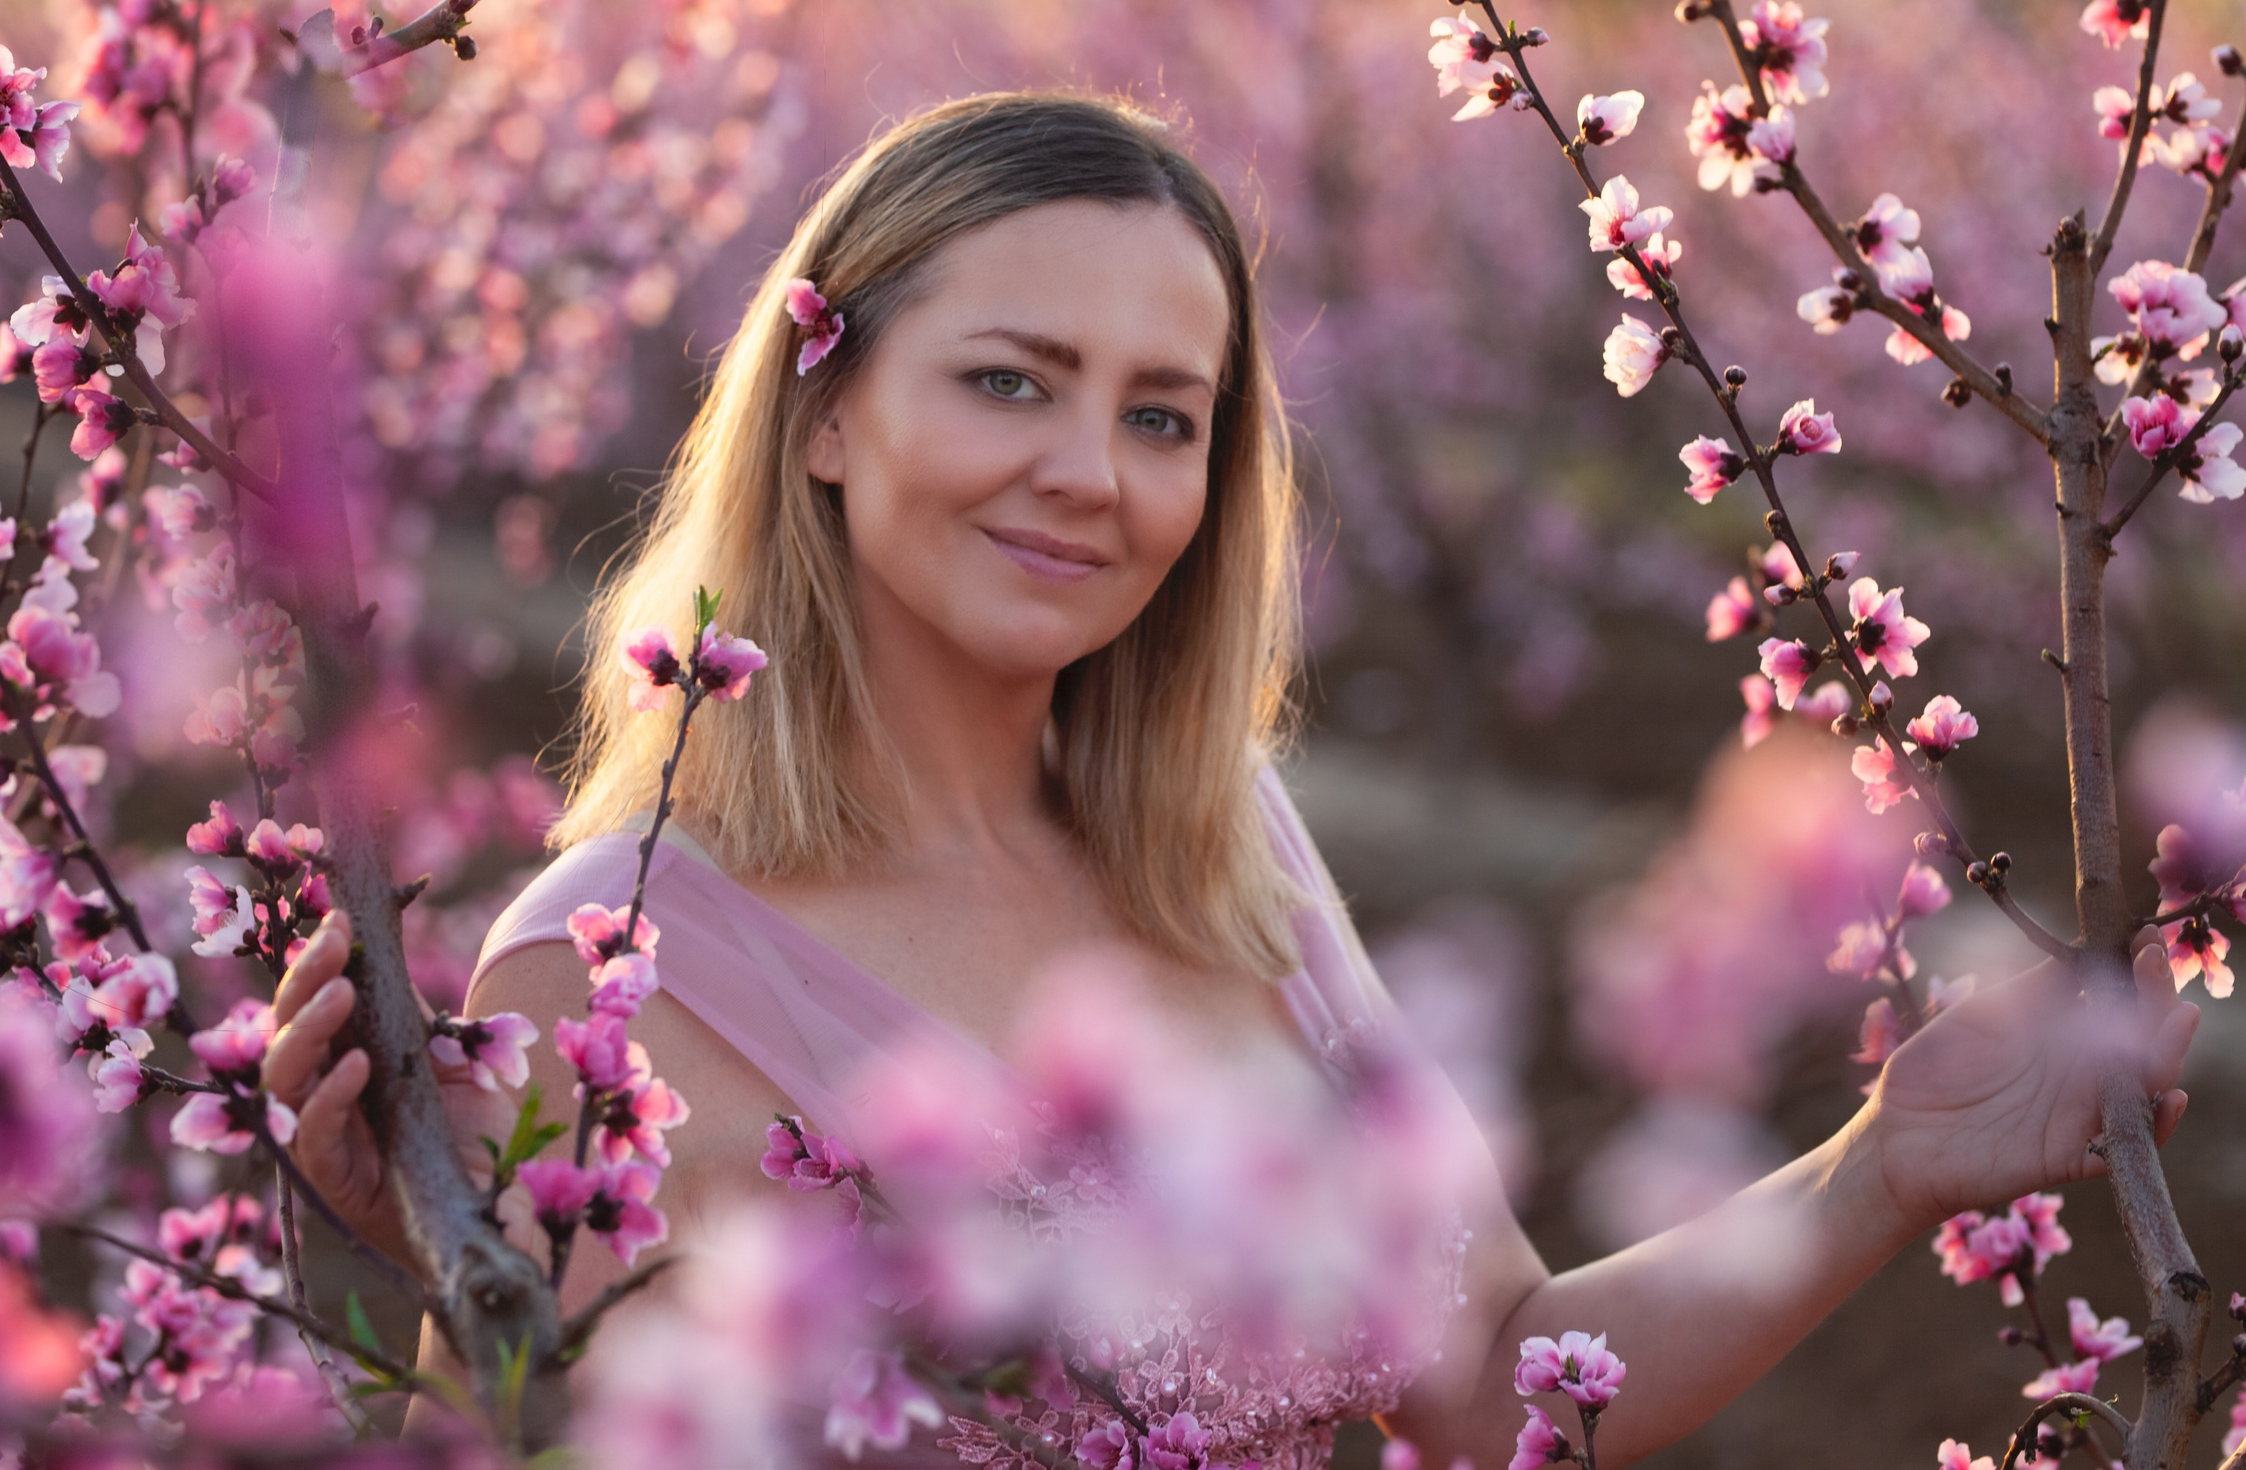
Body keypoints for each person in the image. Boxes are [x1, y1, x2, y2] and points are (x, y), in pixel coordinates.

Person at [262, 91, 2201, 1468]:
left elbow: (1492, 1374)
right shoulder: (607, 968)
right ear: (828, 410)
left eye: (1159, 416)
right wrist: (413, 1256)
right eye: (1008, 378)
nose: (1089, 474)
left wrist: (1877, 1163)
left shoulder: (1227, 860)